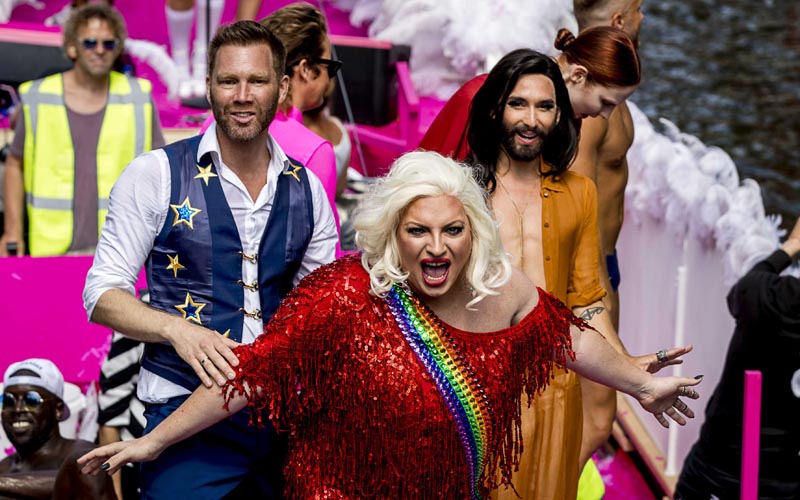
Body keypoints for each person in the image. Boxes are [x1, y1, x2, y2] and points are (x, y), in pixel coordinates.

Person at [78, 150, 701, 498]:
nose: (437, 247)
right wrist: (153, 441)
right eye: (418, 231)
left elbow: (560, 334)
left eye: (453, 230)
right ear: (391, 237)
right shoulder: (345, 295)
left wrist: (638, 383)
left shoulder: (500, 287)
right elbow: (256, 375)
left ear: (473, 234)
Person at [82, 20, 338, 498]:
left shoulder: (310, 193)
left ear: (282, 88)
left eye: (257, 81)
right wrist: (176, 329)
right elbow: (101, 295)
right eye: (228, 81)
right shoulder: (155, 174)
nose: (242, 95)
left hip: (281, 421)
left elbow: (318, 319)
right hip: (182, 421)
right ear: (208, 88)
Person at [460, 47, 679, 500]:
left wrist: (630, 369)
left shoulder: (579, 194)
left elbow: (587, 302)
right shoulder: (458, 191)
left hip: (554, 388)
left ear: (561, 115)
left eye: (545, 106)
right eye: (518, 103)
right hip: (474, 389)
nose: (531, 119)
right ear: (495, 107)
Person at [0, 3, 165, 257]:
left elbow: (163, 173)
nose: (99, 50)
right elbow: (14, 164)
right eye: (89, 42)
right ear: (71, 47)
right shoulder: (38, 96)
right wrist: (11, 231)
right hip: (51, 251)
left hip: (123, 250)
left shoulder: (139, 97)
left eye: (108, 43)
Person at [674, 217, 800, 500]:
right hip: (787, 484)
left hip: (716, 472)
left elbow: (750, 282)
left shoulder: (767, 297)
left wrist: (792, 245)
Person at [201, 2, 342, 247]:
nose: (330, 78)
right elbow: (324, 258)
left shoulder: (211, 122)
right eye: (329, 67)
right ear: (305, 69)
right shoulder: (315, 150)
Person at [571, 0, 644, 331]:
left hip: (605, 259)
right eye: (639, 11)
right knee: (601, 383)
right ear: (620, 20)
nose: (642, 19)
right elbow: (579, 208)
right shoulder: (591, 110)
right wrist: (599, 291)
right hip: (590, 269)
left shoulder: (604, 89)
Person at [0, 358, 115, 499]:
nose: (17, 409)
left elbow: (79, 477)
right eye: (8, 401)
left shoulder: (83, 454)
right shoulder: (4, 467)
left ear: (58, 410)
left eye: (31, 400)